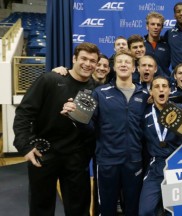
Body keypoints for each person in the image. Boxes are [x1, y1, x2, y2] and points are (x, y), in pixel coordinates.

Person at [13, 42, 100, 216]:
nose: (87, 63)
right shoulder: (51, 79)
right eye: (83, 58)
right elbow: (24, 113)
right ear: (74, 59)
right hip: (44, 154)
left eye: (92, 60)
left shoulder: (96, 89)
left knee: (79, 209)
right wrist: (25, 145)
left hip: (76, 158)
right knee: (41, 208)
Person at [62, 49, 149, 216]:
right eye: (119, 62)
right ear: (114, 67)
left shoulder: (144, 95)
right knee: (107, 209)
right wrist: (75, 117)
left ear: (134, 68)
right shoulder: (100, 93)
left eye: (127, 62)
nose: (123, 64)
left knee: (133, 209)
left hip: (134, 161)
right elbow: (90, 127)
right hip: (107, 161)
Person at [138, 76, 182, 216]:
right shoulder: (145, 114)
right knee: (146, 211)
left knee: (177, 211)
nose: (161, 89)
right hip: (156, 166)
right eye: (157, 87)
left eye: (164, 86)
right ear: (151, 92)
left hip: (177, 165)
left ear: (169, 90)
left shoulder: (181, 110)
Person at [144, 12, 171, 77]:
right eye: (152, 24)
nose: (156, 27)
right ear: (147, 26)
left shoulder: (168, 45)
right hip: (144, 83)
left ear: (162, 28)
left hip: (163, 83)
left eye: (158, 25)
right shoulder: (141, 45)